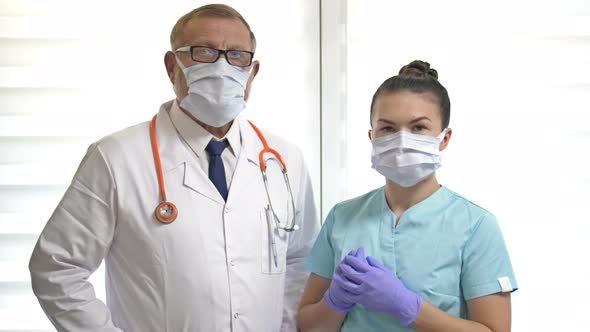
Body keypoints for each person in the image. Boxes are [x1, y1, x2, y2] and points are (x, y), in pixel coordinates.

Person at [29, 4, 319, 331]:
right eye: (204, 52)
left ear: (252, 72)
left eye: (237, 55)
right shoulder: (116, 158)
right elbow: (57, 268)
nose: (222, 67)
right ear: (172, 65)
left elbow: (300, 263)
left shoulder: (285, 160)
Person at [298, 60, 517, 331]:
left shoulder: (476, 225)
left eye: (419, 128)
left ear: (445, 138)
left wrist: (406, 305)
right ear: (372, 136)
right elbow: (308, 326)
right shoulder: (342, 217)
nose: (402, 140)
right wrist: (334, 301)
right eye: (388, 128)